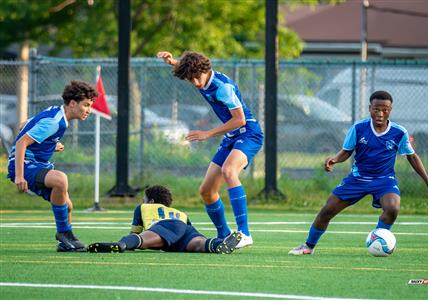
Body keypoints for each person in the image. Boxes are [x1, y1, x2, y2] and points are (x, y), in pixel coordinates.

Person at [289, 90, 428, 256]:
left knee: (393, 208)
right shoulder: (359, 128)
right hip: (357, 179)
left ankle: (379, 239)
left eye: (385, 110)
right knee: (327, 211)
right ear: (370, 108)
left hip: (385, 180)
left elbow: (412, 156)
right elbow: (347, 151)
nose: (380, 114)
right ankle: (308, 246)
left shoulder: (399, 132)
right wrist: (334, 160)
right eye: (376, 109)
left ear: (390, 110)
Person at [156, 51, 264, 248]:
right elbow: (189, 65)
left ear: (205, 70)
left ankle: (244, 233)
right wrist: (172, 62)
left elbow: (239, 120)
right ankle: (225, 235)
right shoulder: (197, 72)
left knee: (229, 170)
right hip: (232, 136)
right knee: (206, 191)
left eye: (197, 77)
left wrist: (208, 133)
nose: (196, 82)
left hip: (249, 133)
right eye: (190, 79)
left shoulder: (223, 88)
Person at [7, 80, 98, 252]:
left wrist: (48, 145)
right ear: (72, 103)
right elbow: (21, 143)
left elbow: (23, 125)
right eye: (86, 105)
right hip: (24, 165)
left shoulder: (55, 112)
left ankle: (65, 243)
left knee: (67, 205)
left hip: (36, 164)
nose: (89, 110)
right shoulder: (55, 122)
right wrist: (19, 175)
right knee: (60, 180)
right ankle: (64, 233)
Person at [88, 185, 242, 254]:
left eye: (144, 199)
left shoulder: (144, 208)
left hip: (164, 226)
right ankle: (218, 244)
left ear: (152, 201)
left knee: (140, 239)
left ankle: (120, 245)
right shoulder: (180, 212)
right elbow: (187, 229)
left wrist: (129, 241)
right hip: (184, 228)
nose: (143, 202)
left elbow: (134, 232)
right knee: (199, 244)